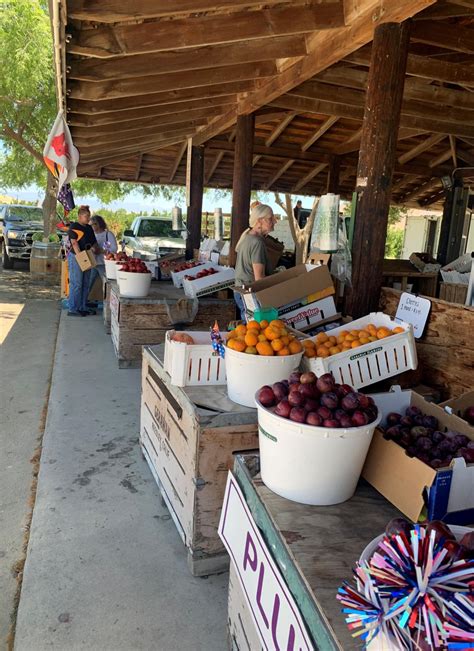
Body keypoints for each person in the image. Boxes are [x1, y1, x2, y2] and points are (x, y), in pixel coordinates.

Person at [234, 203, 277, 319]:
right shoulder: (257, 243)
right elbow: (259, 279)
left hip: (240, 291)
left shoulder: (247, 236)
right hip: (250, 295)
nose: (275, 221)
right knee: (254, 331)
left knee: (248, 331)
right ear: (259, 221)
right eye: (270, 219)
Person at [67, 205, 99, 317]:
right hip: (77, 256)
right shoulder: (74, 226)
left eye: (89, 216)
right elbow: (74, 243)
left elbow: (93, 241)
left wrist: (94, 248)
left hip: (87, 255)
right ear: (80, 216)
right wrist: (81, 257)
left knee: (86, 283)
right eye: (86, 216)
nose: (88, 218)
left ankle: (82, 306)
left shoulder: (89, 228)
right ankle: (73, 308)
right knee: (77, 283)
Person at [88, 214, 118, 294]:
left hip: (105, 264)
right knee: (88, 285)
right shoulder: (91, 235)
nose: (90, 227)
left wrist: (101, 251)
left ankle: (107, 303)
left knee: (106, 285)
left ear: (98, 224)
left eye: (92, 225)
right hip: (93, 264)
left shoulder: (108, 234)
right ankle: (84, 303)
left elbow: (114, 249)